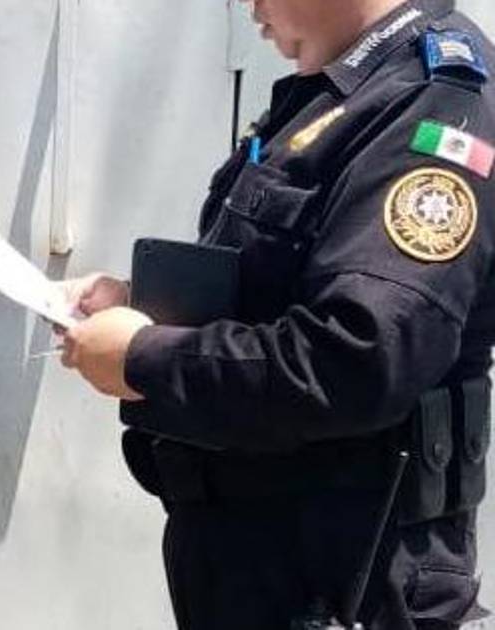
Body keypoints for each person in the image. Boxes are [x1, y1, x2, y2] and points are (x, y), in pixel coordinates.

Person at [58, 0, 495, 627]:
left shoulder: (432, 103)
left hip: (346, 584)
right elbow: (274, 291)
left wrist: (144, 357)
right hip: (263, 567)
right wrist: (142, 308)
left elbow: (357, 355)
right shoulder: (341, 93)